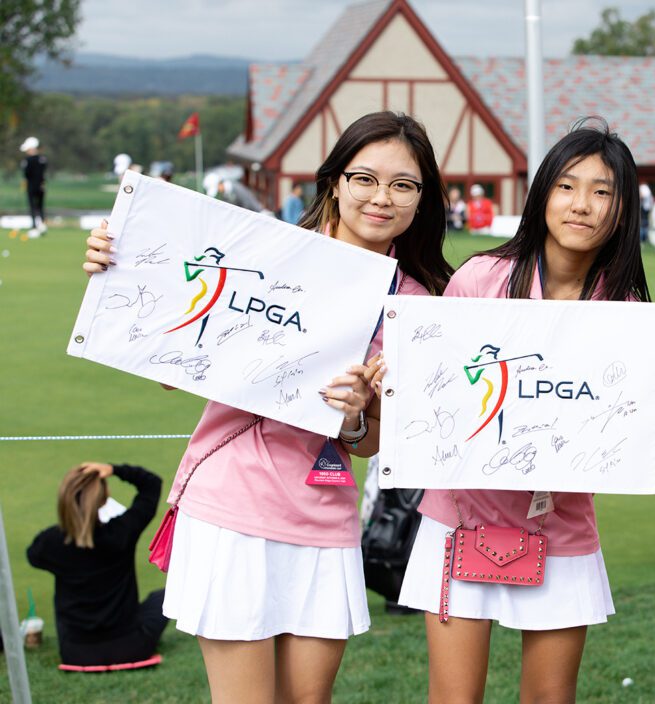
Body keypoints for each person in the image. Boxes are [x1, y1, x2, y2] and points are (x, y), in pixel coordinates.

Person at [83, 111, 452, 703]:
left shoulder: (417, 303)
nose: (381, 197)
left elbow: (369, 444)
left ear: (421, 198)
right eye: (365, 178)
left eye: (403, 184)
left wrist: (357, 413)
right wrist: (117, 266)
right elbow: (171, 367)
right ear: (335, 181)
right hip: (231, 505)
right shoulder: (268, 252)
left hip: (324, 513)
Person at [397, 119, 652, 704]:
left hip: (558, 523)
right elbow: (438, 395)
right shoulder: (479, 279)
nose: (581, 205)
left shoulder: (626, 307)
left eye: (602, 191)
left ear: (621, 209)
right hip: (462, 518)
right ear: (542, 194)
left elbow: (610, 436)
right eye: (566, 186)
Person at [27, 462, 169, 667]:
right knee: (163, 597)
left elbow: (33, 555)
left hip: (75, 653)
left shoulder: (51, 542)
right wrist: (114, 469)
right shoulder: (121, 532)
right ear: (103, 498)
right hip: (131, 646)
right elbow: (152, 484)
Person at [19, 136, 47, 237]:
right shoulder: (43, 159)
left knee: (32, 207)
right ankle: (43, 225)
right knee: (40, 207)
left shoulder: (27, 160)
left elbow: (26, 174)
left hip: (31, 187)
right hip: (41, 186)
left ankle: (34, 227)